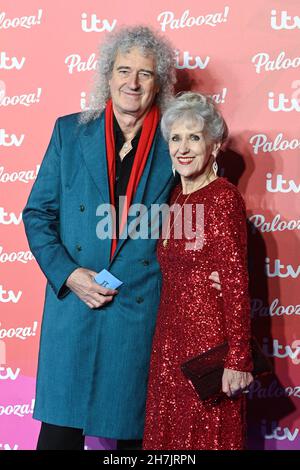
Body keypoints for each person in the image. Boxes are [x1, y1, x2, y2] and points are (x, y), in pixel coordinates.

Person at [22, 27, 221, 450]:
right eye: (123, 70)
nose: (132, 83)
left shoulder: (176, 143)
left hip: (140, 309)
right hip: (72, 304)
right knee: (57, 437)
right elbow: (37, 214)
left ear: (160, 82)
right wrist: (68, 273)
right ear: (107, 77)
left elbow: (198, 220)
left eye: (145, 74)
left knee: (134, 441)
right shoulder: (69, 132)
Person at [143, 92, 254, 450]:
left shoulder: (223, 198)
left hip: (209, 351)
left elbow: (235, 283)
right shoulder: (175, 197)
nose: (184, 147)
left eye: (194, 137)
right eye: (176, 138)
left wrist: (238, 359)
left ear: (214, 147)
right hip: (168, 348)